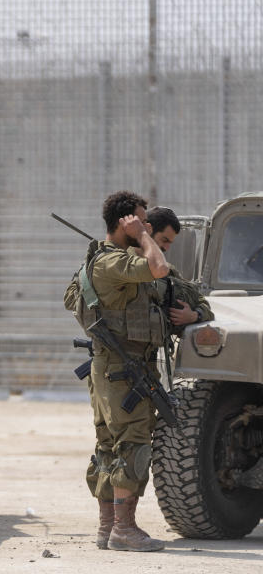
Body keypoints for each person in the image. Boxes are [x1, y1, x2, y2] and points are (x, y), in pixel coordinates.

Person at [63, 191, 170, 552]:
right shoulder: (113, 263)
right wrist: (142, 237)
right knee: (133, 443)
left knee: (109, 446)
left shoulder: (97, 261)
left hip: (109, 366)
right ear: (124, 221)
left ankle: (108, 527)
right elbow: (159, 268)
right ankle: (124, 529)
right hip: (123, 369)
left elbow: (69, 297)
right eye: (140, 219)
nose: (146, 226)